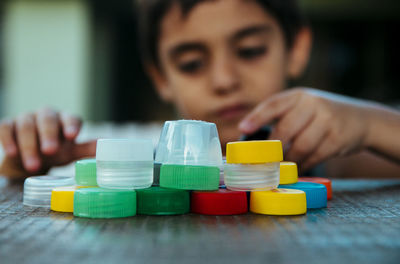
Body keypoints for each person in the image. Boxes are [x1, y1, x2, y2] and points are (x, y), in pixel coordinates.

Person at [1, 0, 400, 179]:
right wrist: (29, 156)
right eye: (191, 64)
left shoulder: (324, 152)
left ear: (296, 49)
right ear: (159, 77)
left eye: (250, 50)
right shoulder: (142, 152)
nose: (224, 80)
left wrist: (368, 122)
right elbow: (13, 164)